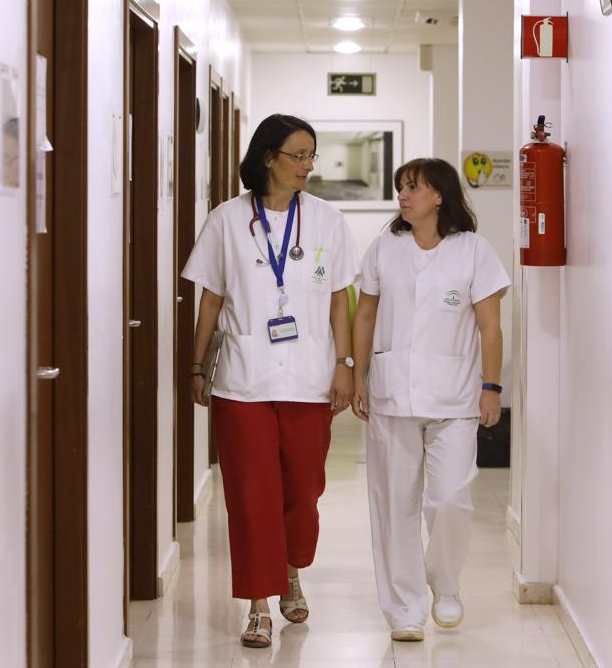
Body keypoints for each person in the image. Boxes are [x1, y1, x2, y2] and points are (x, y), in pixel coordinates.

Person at [182, 114, 359, 649]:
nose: (307, 165)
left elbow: (339, 301)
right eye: (298, 155)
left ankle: (291, 569)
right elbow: (210, 298)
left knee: (303, 492)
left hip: (309, 380)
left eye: (312, 156)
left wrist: (345, 366)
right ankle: (258, 604)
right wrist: (195, 365)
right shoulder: (226, 221)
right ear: (268, 159)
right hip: (243, 382)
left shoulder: (328, 221)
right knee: (250, 495)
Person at [350, 157, 510, 642]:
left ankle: (445, 584)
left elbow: (490, 326)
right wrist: (359, 377)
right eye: (400, 187)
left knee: (450, 500)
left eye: (412, 187)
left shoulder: (473, 250)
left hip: (456, 397)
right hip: (392, 394)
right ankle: (404, 609)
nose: (403, 194)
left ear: (439, 195)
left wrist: (491, 386)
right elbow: (364, 317)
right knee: (394, 504)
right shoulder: (384, 248)